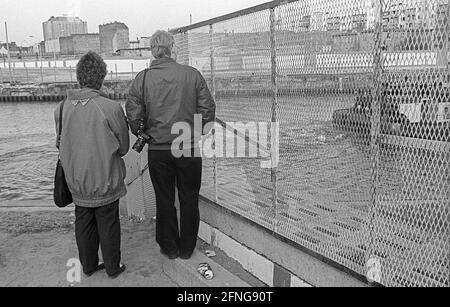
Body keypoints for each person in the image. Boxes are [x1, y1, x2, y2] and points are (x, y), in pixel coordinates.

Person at [126, 30, 216, 260]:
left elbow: (133, 112)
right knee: (189, 198)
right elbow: (208, 110)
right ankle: (187, 248)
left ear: (153, 51)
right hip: (187, 146)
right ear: (173, 47)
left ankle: (169, 247)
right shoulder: (192, 75)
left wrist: (142, 132)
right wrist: (199, 132)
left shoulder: (143, 78)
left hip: (158, 149)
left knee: (164, 200)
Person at [55, 51, 129, 279]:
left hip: (76, 181)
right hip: (105, 178)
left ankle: (87, 266)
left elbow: (60, 143)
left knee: (83, 221)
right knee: (108, 222)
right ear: (101, 77)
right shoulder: (111, 107)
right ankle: (112, 267)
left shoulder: (61, 108)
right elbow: (124, 146)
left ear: (79, 76)